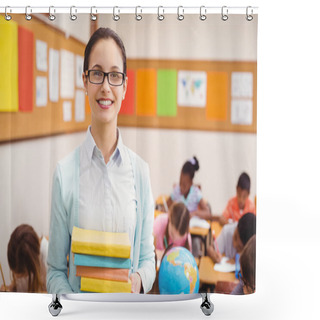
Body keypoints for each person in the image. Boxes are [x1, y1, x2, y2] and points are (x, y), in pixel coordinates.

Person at [47, 27, 155, 294]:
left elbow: (147, 260)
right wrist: (75, 304)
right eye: (97, 73)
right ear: (85, 81)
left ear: (125, 86)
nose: (106, 87)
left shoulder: (140, 172)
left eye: (114, 75)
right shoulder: (65, 173)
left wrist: (138, 281)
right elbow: (55, 271)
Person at [166, 157, 211, 257]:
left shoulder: (196, 193)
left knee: (195, 244)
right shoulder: (177, 191)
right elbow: (165, 205)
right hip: (177, 230)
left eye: (184, 185)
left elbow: (207, 213)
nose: (181, 187)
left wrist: (194, 213)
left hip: (191, 233)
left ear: (191, 183)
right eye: (180, 183)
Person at [0, 224, 48, 293]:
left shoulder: (49, 259)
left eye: (22, 275)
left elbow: (58, 297)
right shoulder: (19, 255)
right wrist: (10, 288)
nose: (17, 277)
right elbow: (21, 284)